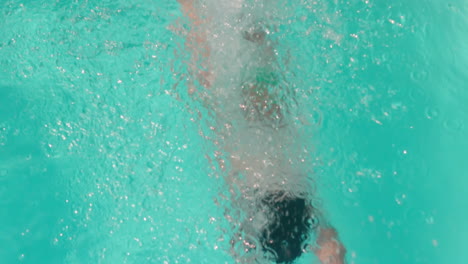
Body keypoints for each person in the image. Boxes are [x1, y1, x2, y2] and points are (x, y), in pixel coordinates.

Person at [177, 1, 346, 263]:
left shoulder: (298, 181)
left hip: (266, 85)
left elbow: (330, 241)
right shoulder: (246, 181)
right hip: (239, 96)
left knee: (253, 33)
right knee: (205, 50)